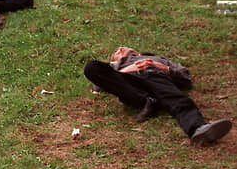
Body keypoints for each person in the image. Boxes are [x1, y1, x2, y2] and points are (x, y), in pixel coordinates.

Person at [84, 47, 233, 145]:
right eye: (117, 50)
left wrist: (163, 67)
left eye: (125, 47)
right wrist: (126, 70)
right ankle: (147, 102)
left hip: (156, 77)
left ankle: (198, 129)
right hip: (131, 83)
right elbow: (100, 84)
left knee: (177, 99)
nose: (121, 48)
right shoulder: (114, 66)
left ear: (137, 52)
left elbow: (185, 78)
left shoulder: (158, 59)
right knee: (91, 66)